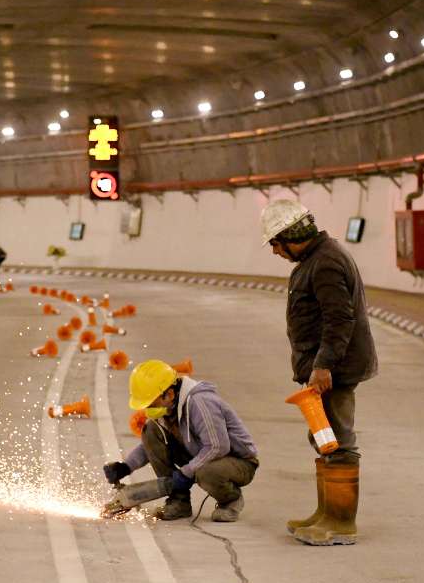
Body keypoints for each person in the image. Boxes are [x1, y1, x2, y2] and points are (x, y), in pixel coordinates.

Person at [261, 199, 377, 546]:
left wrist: (323, 364)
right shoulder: (315, 259)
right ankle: (326, 514)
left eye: (275, 245)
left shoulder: (325, 263)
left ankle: (341, 522)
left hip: (334, 370)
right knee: (325, 441)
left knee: (338, 442)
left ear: (289, 237)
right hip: (325, 369)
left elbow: (339, 319)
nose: (275, 252)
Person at [103, 360, 259, 522]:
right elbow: (152, 445)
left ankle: (230, 500)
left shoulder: (200, 403)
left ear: (169, 394)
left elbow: (218, 446)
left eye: (151, 403)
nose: (148, 408)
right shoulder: (168, 406)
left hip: (237, 462)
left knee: (206, 472)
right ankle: (179, 501)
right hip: (201, 454)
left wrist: (186, 472)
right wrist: (126, 466)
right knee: (150, 430)